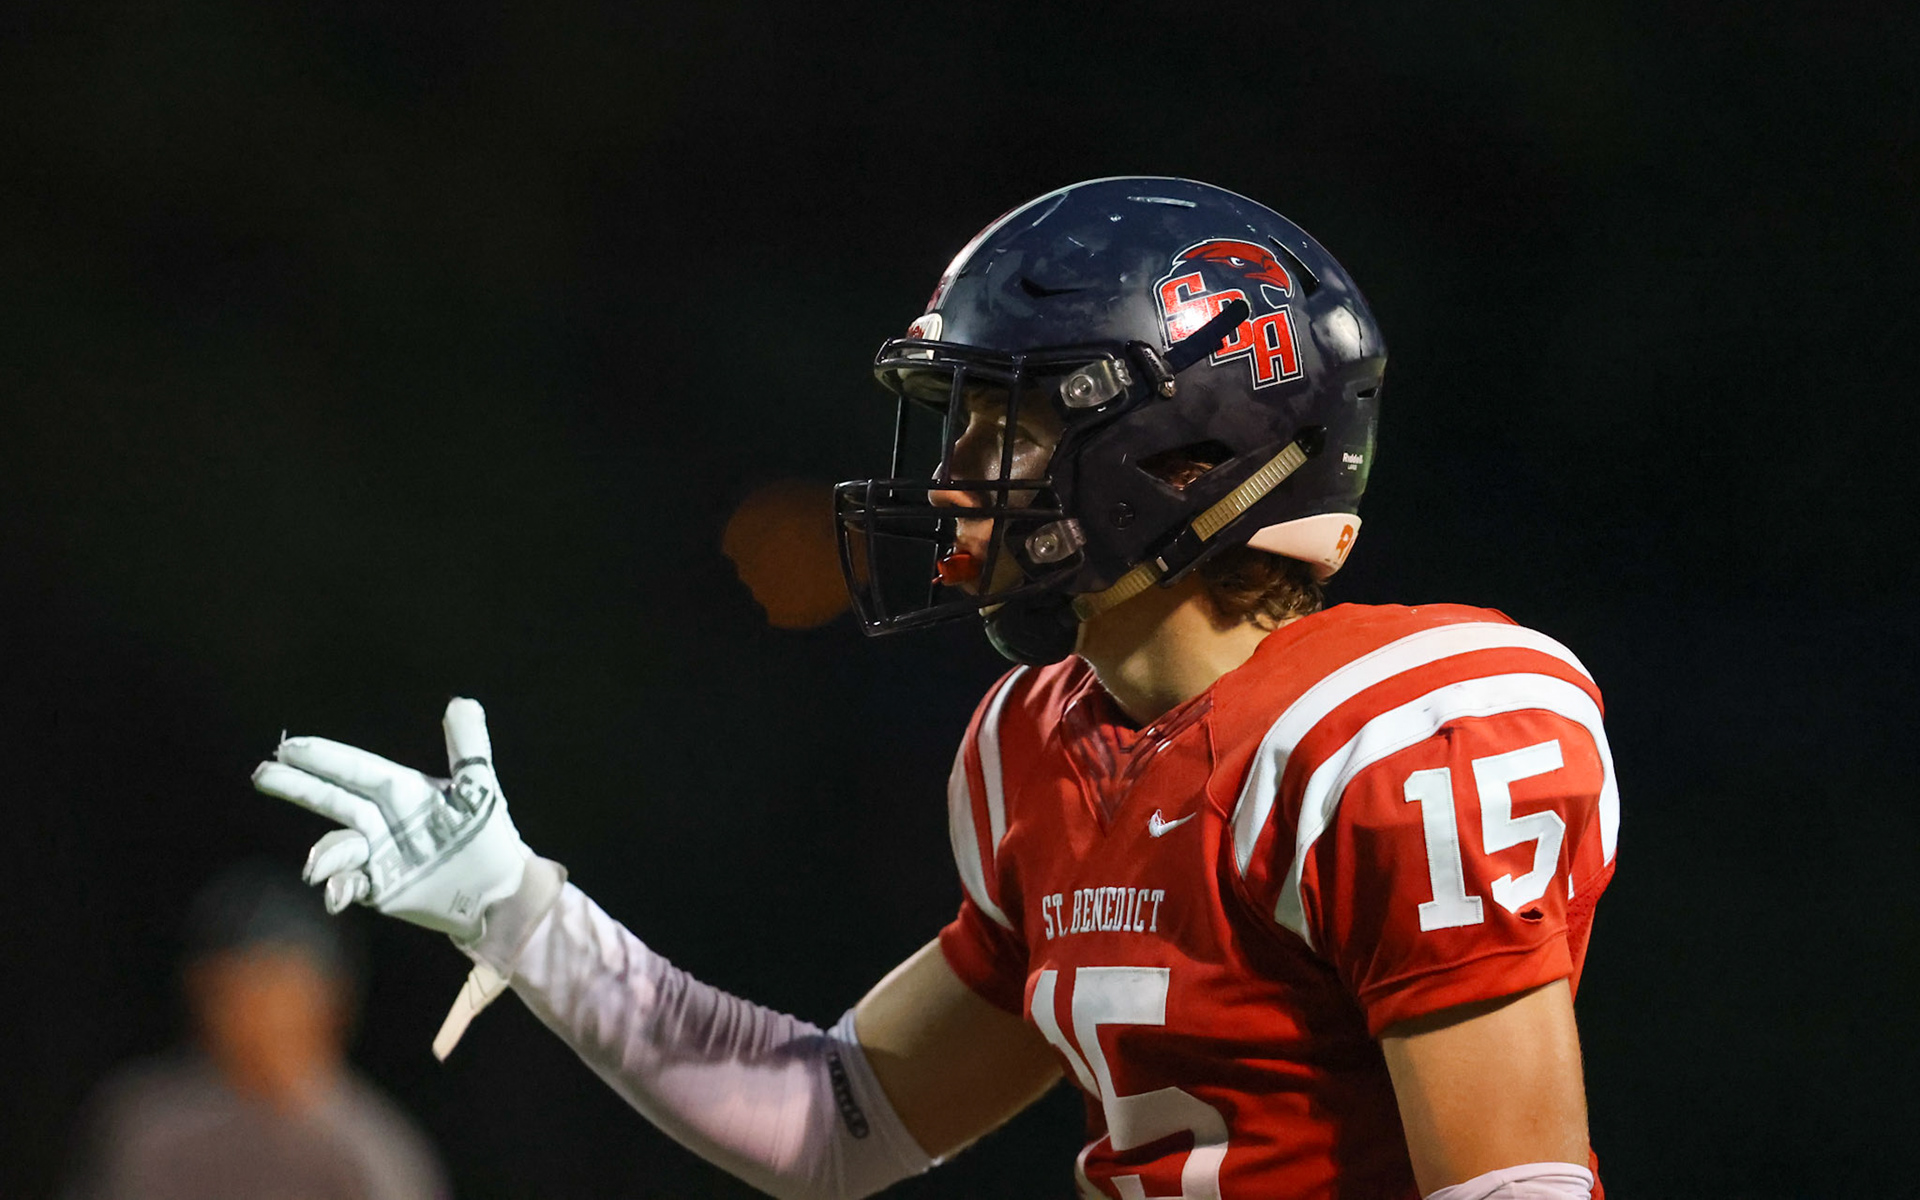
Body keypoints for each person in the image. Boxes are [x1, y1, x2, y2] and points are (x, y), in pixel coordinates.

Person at [253, 177, 1617, 1200]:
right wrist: (521, 913)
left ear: (1182, 457)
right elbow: (834, 1119)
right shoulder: (1043, 746)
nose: (957, 475)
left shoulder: (1398, 738)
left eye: (1007, 423)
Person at [64, 861, 450, 1200]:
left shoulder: (372, 1156)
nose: (251, 1015)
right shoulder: (145, 1128)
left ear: (332, 1000)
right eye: (231, 991)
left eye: (275, 989)